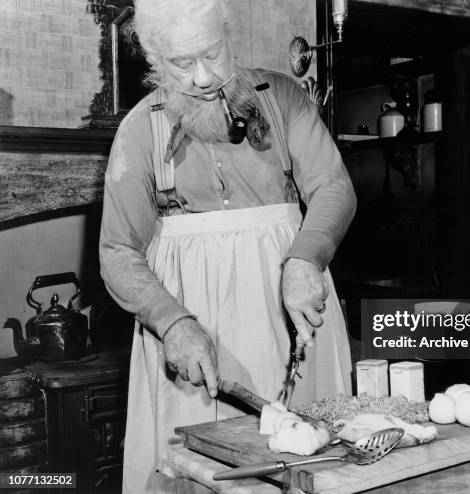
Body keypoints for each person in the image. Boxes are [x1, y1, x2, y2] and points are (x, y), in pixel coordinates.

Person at [98, 0, 356, 492]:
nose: (202, 77)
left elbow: (334, 187)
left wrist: (306, 257)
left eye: (213, 54)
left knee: (314, 458)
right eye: (181, 63)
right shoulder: (138, 130)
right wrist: (171, 322)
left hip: (291, 309)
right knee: (202, 472)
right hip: (194, 332)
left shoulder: (283, 98)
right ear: (154, 60)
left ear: (228, 35)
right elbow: (117, 251)